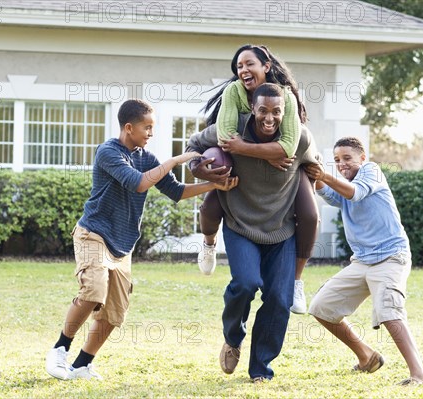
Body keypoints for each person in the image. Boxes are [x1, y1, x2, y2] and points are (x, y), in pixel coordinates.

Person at [45, 99, 238, 381]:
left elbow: (175, 190)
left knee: (115, 312)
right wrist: (173, 161)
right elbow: (138, 183)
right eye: (147, 128)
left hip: (123, 245)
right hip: (94, 234)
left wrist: (215, 185)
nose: (151, 133)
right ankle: (60, 349)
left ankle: (83, 364)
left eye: (152, 128)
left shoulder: (146, 158)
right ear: (128, 127)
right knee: (93, 290)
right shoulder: (108, 152)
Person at [187, 83, 320, 382]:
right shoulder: (232, 131)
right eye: (262, 111)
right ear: (252, 110)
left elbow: (316, 167)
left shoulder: (298, 138)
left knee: (279, 300)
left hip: (281, 230)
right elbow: (192, 146)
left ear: (285, 113)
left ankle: (261, 369)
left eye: (276, 112)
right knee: (246, 284)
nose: (269, 118)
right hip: (240, 224)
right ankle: (233, 337)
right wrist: (202, 170)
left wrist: (316, 176)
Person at [197, 44, 318, 315]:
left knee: (310, 215)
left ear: (266, 66)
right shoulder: (235, 92)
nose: (242, 70)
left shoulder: (282, 96)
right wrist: (262, 155)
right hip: (242, 164)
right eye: (238, 66)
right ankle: (208, 243)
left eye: (249, 63)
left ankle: (297, 280)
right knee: (210, 207)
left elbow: (288, 145)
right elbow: (227, 137)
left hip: (288, 167)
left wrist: (274, 155)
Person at [305, 137, 423, 386]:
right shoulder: (345, 184)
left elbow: (356, 193)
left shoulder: (371, 172)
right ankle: (366, 356)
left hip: (391, 257)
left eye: (347, 158)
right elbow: (330, 194)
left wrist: (326, 176)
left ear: (362, 157)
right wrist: (314, 172)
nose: (342, 164)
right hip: (362, 261)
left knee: (389, 312)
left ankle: (420, 375)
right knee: (321, 307)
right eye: (337, 160)